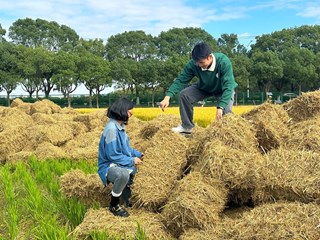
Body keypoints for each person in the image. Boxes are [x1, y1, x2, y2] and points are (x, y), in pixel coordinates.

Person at [159, 41, 238, 134]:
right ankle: (187, 127)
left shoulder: (223, 62)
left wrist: (220, 107)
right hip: (204, 86)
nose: (199, 65)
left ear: (210, 57)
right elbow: (180, 80)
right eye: (197, 63)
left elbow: (228, 86)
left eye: (201, 62)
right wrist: (167, 97)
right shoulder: (194, 64)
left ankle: (228, 132)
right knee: (184, 95)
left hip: (223, 89)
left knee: (226, 112)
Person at [98, 98, 143, 217]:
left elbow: (126, 150)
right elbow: (112, 155)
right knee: (123, 174)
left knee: (138, 173)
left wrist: (139, 154)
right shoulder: (112, 129)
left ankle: (128, 201)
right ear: (122, 110)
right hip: (109, 166)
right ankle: (114, 204)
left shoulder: (120, 128)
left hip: (119, 164)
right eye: (129, 112)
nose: (131, 114)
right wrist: (132, 160)